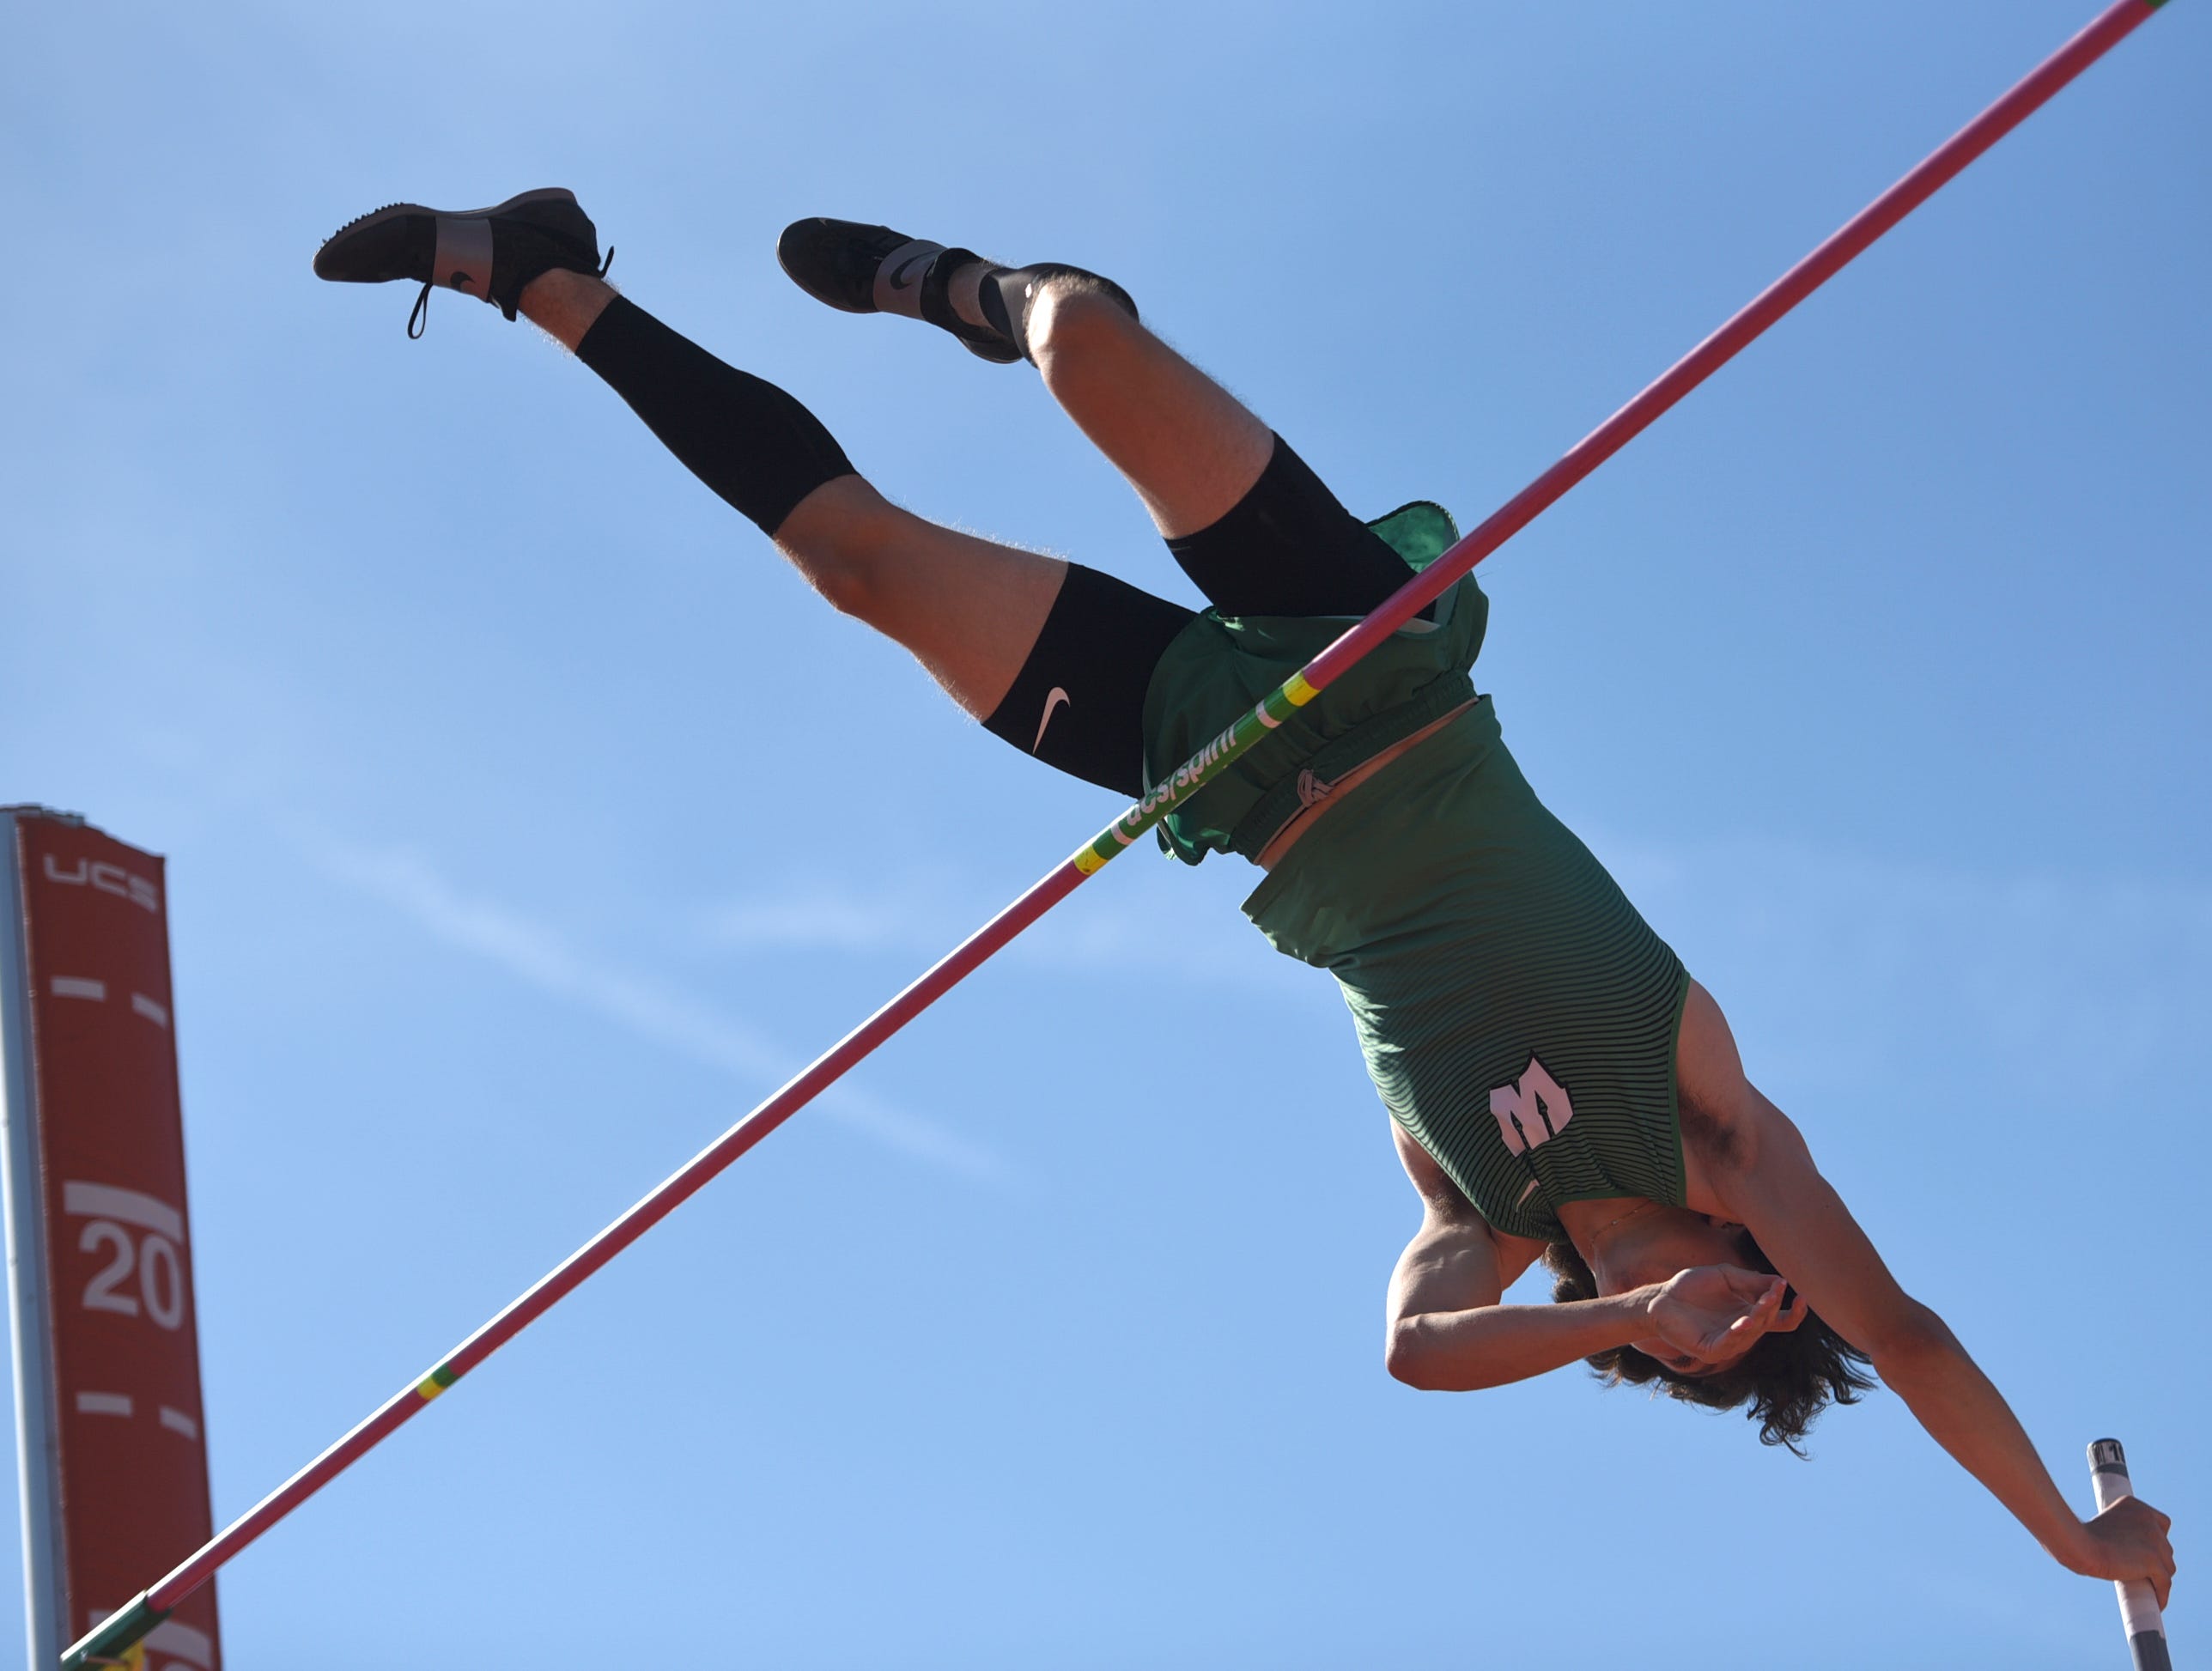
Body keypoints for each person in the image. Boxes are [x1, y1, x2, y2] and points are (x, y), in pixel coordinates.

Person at [315, 188, 2174, 1606]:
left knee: (860, 566)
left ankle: (543, 276)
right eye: (1753, 1301)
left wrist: (1608, 1323)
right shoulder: (1718, 1139)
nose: (1718, 1300)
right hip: (1367, 663)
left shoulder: (1475, 1216)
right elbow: (1911, 1334)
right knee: (1082, 361)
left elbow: (1412, 1352)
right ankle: (969, 287)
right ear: (1766, 1265)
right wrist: (2068, 1545)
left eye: (1709, 1333)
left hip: (1224, 771)